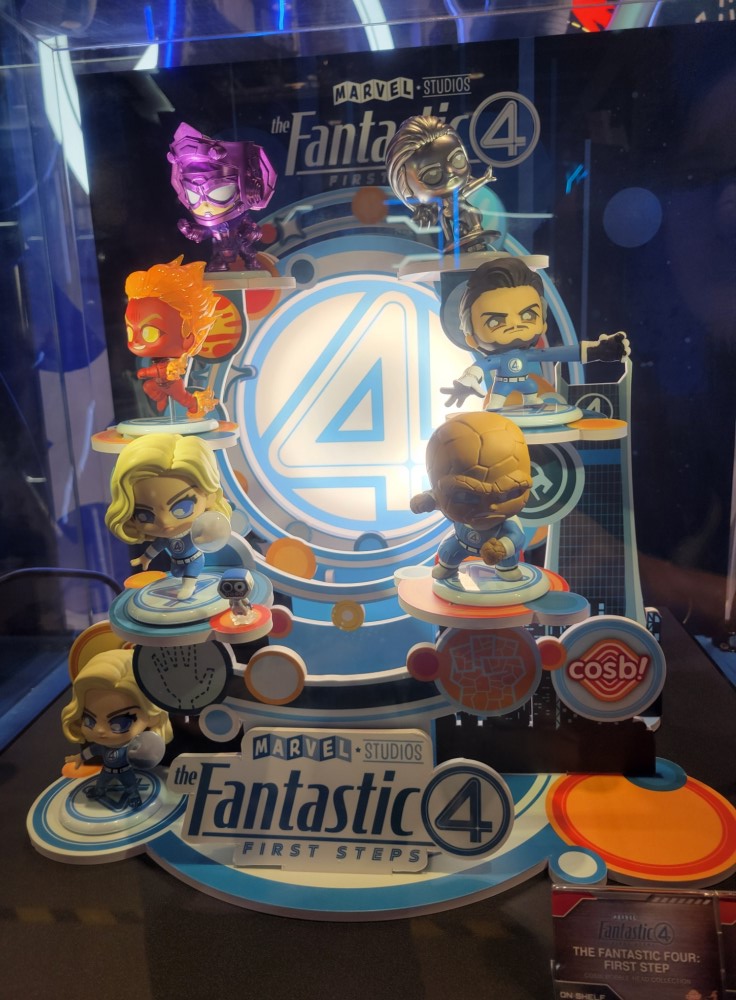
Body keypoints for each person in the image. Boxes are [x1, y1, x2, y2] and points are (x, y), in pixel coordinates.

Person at [444, 256, 629, 410]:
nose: (515, 324)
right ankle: (496, 409)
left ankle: (531, 401)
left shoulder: (531, 354)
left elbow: (562, 353)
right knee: (496, 404)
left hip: (528, 385)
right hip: (502, 387)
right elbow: (479, 367)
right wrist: (466, 382)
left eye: (527, 315)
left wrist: (598, 351)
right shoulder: (494, 360)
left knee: (531, 388)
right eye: (495, 321)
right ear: (471, 337)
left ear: (543, 323)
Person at [105, 433, 232, 599]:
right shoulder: (166, 539)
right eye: (144, 515)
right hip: (176, 561)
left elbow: (208, 538)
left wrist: (205, 537)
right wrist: (145, 558)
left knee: (189, 575)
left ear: (209, 497)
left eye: (182, 508)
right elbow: (157, 546)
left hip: (195, 559)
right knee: (177, 573)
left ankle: (189, 586)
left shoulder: (194, 531)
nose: (165, 522)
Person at [62, 648, 172, 809]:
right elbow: (92, 751)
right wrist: (78, 758)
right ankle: (99, 791)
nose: (100, 730)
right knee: (101, 782)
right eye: (89, 720)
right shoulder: (102, 747)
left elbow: (146, 757)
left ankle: (133, 796)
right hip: (106, 771)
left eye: (120, 723)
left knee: (130, 785)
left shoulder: (132, 746)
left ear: (152, 715)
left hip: (126, 770)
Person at [386, 115, 495, 250]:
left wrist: (485, 179)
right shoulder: (441, 210)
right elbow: (444, 223)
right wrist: (449, 240)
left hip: (467, 223)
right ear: (405, 187)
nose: (450, 172)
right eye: (432, 175)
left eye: (458, 160)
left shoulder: (456, 200)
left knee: (471, 213)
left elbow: (468, 189)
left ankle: (475, 228)